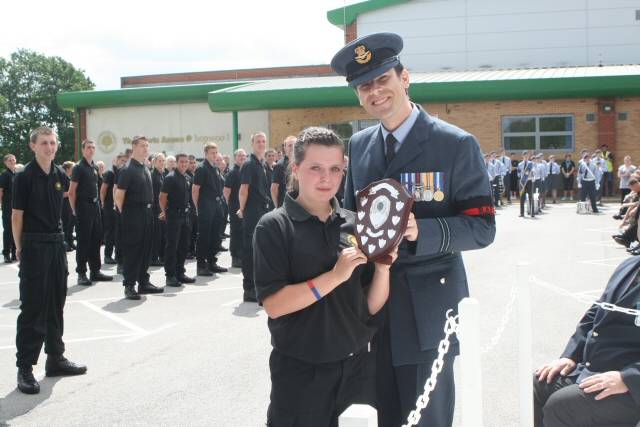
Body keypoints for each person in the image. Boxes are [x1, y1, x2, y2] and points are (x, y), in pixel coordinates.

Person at [331, 32, 496, 427]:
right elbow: (350, 218)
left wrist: (421, 230)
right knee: (387, 415)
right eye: (364, 86)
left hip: (430, 311)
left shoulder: (455, 144)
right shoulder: (359, 145)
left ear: (404, 78)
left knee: (428, 419)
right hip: (376, 306)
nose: (375, 91)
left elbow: (483, 227)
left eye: (382, 79)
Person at [253, 127, 397, 426]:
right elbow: (274, 305)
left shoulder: (356, 224)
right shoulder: (274, 227)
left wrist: (383, 269)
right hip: (302, 374)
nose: (326, 178)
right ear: (295, 169)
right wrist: (334, 276)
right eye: (315, 168)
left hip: (358, 367)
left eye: (335, 169)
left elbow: (368, 305)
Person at [13, 126, 87, 395]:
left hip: (56, 244)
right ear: (33, 146)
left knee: (56, 304)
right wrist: (20, 248)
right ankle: (25, 368)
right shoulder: (24, 177)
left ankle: (55, 357)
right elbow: (16, 216)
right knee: (33, 307)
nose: (50, 147)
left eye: (53, 143)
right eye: (44, 143)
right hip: (34, 243)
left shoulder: (59, 175)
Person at [533, 255, 640, 427]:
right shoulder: (631, 264)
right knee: (541, 383)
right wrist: (571, 355)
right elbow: (596, 312)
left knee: (563, 406)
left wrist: (628, 378)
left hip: (630, 384)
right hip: (596, 368)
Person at [114, 136, 164, 300]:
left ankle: (143, 282)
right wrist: (126, 216)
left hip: (147, 213)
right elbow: (119, 195)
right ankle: (129, 285)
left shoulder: (144, 167)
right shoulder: (128, 169)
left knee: (145, 250)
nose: (146, 149)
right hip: (133, 214)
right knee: (133, 250)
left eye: (147, 146)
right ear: (134, 147)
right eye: (142, 146)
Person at [68, 140, 112, 286]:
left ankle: (95, 271)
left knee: (96, 240)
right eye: (88, 147)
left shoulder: (93, 167)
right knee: (83, 241)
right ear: (83, 149)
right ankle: (81, 273)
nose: (91, 150)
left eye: (93, 147)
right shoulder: (79, 168)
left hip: (95, 207)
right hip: (83, 206)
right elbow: (72, 191)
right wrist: (75, 210)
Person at [238, 132, 273, 302]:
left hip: (263, 210)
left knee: (260, 249)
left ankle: (258, 286)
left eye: (263, 141)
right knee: (250, 250)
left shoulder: (263, 164)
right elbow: (243, 189)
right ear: (252, 143)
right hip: (252, 211)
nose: (261, 144)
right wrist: (242, 209)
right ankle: (249, 289)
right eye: (258, 141)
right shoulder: (249, 164)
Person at [160, 153, 196, 287]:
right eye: (182, 162)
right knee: (172, 246)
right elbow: (162, 197)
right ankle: (170, 275)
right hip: (174, 215)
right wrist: (164, 212)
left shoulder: (186, 177)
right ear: (176, 163)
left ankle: (180, 272)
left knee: (183, 246)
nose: (184, 164)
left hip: (185, 215)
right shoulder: (170, 178)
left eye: (186, 162)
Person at [192, 143, 227, 276]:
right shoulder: (202, 168)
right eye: (212, 152)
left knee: (215, 235)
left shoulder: (215, 168)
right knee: (204, 236)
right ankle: (201, 265)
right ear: (206, 153)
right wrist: (197, 208)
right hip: (206, 205)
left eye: (216, 152)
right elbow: (195, 190)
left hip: (217, 205)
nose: (215, 155)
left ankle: (212, 262)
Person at [223, 148, 247, 268]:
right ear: (235, 158)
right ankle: (235, 257)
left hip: (244, 207)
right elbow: (226, 191)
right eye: (240, 156)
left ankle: (241, 255)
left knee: (242, 231)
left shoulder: (245, 170)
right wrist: (230, 205)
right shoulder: (233, 172)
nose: (242, 158)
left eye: (244, 156)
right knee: (236, 231)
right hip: (235, 207)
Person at [100, 154, 125, 264]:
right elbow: (103, 190)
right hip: (110, 206)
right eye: (122, 160)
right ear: (116, 160)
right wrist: (103, 204)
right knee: (110, 232)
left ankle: (115, 255)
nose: (124, 162)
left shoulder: (121, 172)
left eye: (125, 160)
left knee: (117, 232)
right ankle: (107, 255)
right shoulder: (110, 173)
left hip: (117, 206)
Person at [0, 154, 17, 262]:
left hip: (17, 207)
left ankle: (15, 253)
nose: (12, 162)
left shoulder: (17, 174)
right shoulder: (5, 175)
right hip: (7, 207)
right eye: (9, 161)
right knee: (8, 231)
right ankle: (7, 253)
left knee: (16, 230)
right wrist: (2, 204)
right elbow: (0, 191)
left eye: (13, 160)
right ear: (5, 163)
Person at [271, 135, 296, 208]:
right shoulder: (280, 165)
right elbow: (273, 189)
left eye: (295, 145)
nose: (292, 147)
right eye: (290, 145)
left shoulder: (301, 163)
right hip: (285, 206)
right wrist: (277, 207)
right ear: (285, 148)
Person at [150, 153, 166, 266]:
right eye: (159, 161)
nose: (162, 163)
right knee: (155, 235)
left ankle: (161, 256)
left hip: (161, 208)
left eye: (163, 161)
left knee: (162, 234)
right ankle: (153, 258)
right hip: (155, 209)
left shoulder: (162, 174)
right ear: (154, 162)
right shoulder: (152, 175)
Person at [61, 161, 76, 251]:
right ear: (67, 169)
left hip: (70, 205)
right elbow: (60, 194)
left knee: (71, 225)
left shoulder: (70, 178)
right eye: (72, 168)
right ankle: (65, 244)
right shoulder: (62, 178)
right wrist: (72, 193)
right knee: (66, 225)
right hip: (64, 205)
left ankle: (70, 242)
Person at [186, 155, 198, 259]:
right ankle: (187, 251)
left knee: (194, 230)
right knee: (188, 232)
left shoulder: (194, 175)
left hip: (195, 207)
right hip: (189, 207)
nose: (193, 165)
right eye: (191, 163)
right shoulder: (186, 176)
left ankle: (192, 249)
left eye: (194, 163)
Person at [518, 151, 536, 218]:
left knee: (531, 197)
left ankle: (532, 213)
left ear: (528, 156)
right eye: (524, 155)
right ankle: (522, 213)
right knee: (522, 197)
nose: (526, 157)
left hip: (529, 181)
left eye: (527, 156)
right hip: (522, 182)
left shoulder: (531, 164)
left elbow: (534, 171)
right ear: (522, 156)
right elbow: (518, 173)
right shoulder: (520, 164)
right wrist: (521, 175)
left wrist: (533, 173)